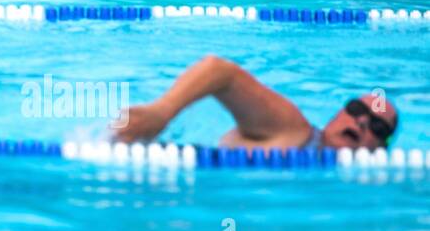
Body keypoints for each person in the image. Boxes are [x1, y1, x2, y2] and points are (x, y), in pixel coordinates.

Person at [114, 55, 398, 151]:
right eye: (358, 110)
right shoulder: (293, 130)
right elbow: (220, 71)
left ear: (382, 149)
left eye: (377, 126)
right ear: (338, 114)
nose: (361, 121)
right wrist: (161, 113)